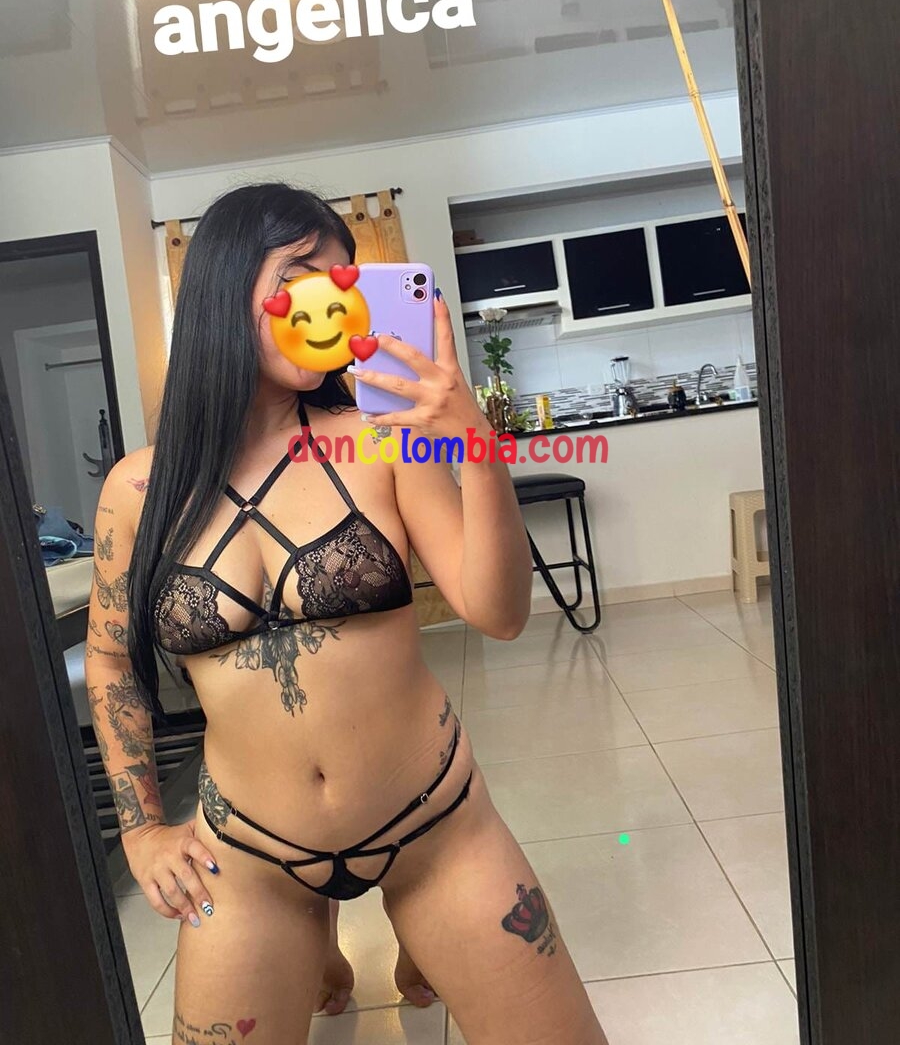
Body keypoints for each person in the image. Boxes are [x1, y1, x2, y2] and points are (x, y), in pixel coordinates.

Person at [84, 183, 609, 1045]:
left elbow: (500, 611)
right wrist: (140, 831)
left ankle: (409, 939)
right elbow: (111, 661)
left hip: (435, 827)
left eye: (344, 280)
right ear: (224, 288)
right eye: (301, 274)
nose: (330, 299)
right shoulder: (137, 490)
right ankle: (327, 952)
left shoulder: (384, 436)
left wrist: (473, 442)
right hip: (249, 858)